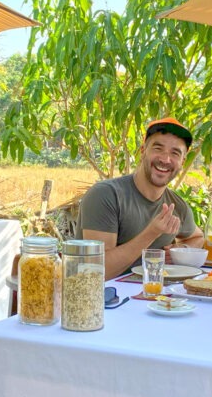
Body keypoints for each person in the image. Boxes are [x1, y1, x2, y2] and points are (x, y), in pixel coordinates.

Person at [78, 118, 204, 279]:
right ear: (143, 151)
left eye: (175, 153)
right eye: (158, 149)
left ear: (182, 162)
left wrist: (180, 251)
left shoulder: (177, 206)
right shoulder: (105, 195)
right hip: (104, 300)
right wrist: (152, 232)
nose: (165, 159)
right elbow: (97, 271)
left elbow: (198, 238)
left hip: (155, 297)